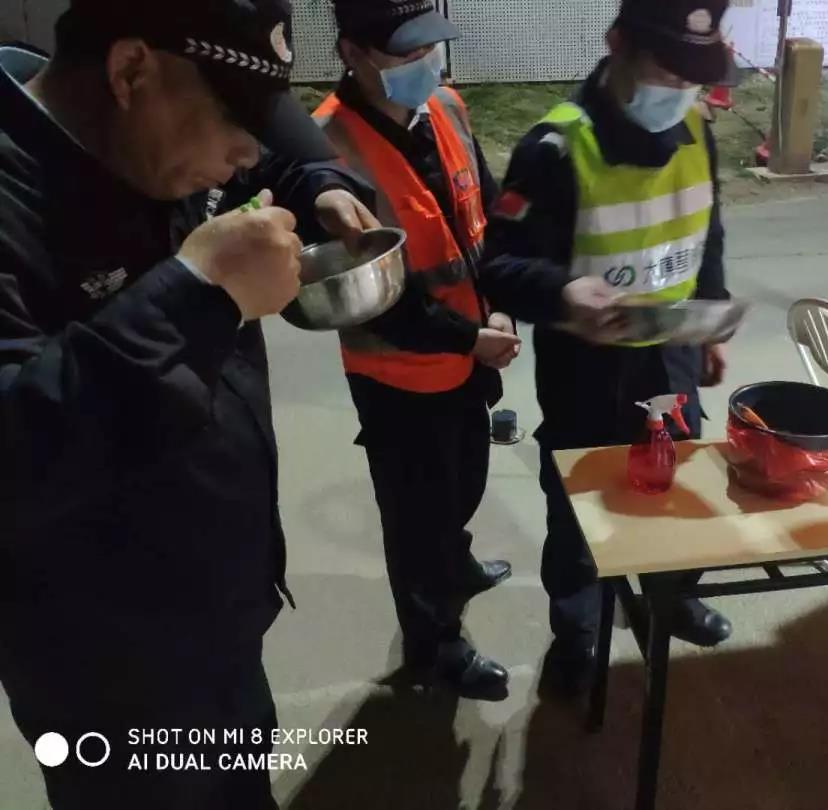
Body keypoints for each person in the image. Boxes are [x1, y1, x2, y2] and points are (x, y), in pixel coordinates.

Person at [0, 1, 378, 808]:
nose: (247, 153)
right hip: (107, 673)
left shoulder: (148, 141)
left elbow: (269, 165)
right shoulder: (17, 199)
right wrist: (198, 294)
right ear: (130, 70)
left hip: (218, 615)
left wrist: (320, 185)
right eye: (236, 119)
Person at [480, 0, 735, 694]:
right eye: (667, 67)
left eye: (693, 73)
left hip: (672, 355)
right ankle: (577, 632)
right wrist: (564, 292)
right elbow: (498, 265)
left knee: (675, 484)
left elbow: (706, 230)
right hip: (586, 370)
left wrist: (710, 321)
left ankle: (671, 596)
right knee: (579, 511)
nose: (680, 86)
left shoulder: (695, 125)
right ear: (617, 42)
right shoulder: (557, 148)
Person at [311, 0, 521, 700]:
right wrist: (470, 336)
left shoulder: (447, 108)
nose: (426, 64)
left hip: (469, 356)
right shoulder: (326, 147)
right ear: (353, 52)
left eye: (430, 47)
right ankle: (436, 643)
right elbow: (368, 293)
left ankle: (455, 565)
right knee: (415, 518)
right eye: (405, 53)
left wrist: (502, 304)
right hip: (397, 372)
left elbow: (488, 214)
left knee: (463, 485)